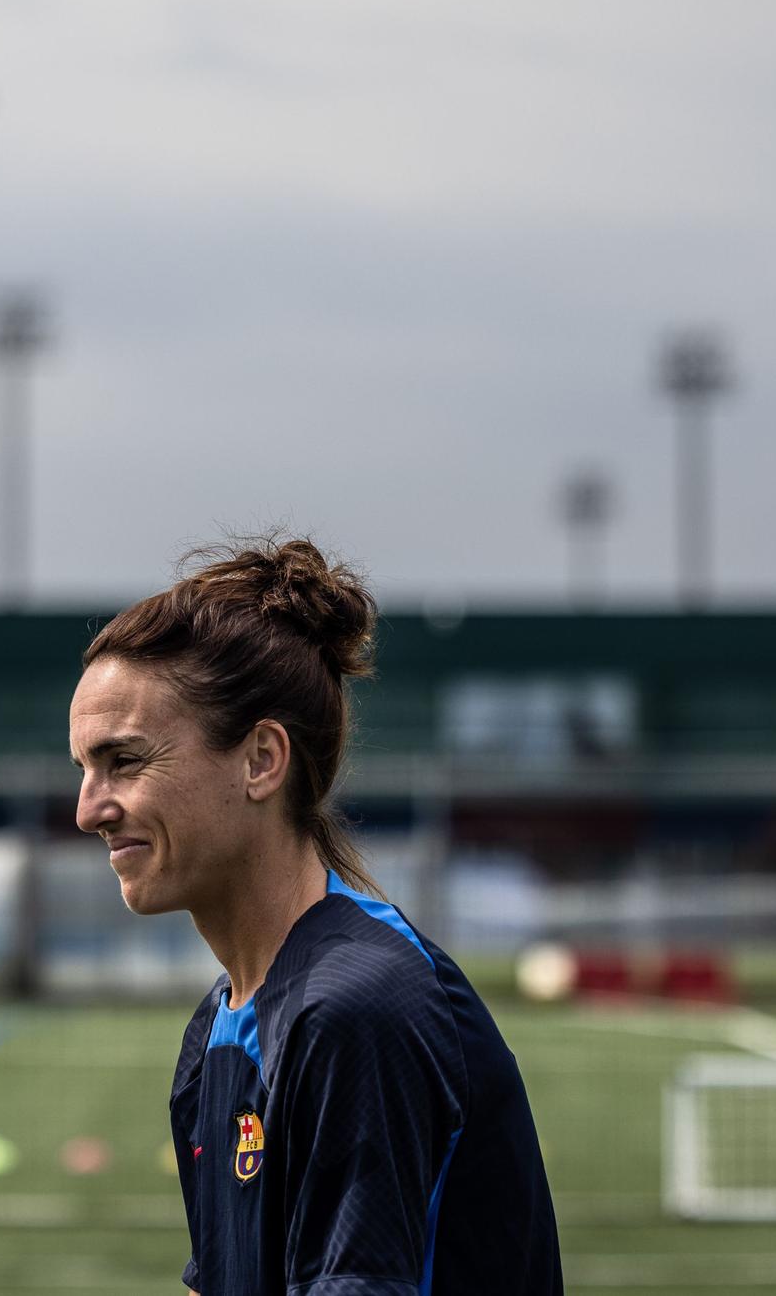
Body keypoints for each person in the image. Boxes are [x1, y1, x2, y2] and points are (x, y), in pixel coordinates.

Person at [69, 537, 562, 1296]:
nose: (88, 809)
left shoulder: (355, 1008)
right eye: (85, 769)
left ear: (262, 759)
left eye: (124, 761)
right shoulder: (218, 1028)